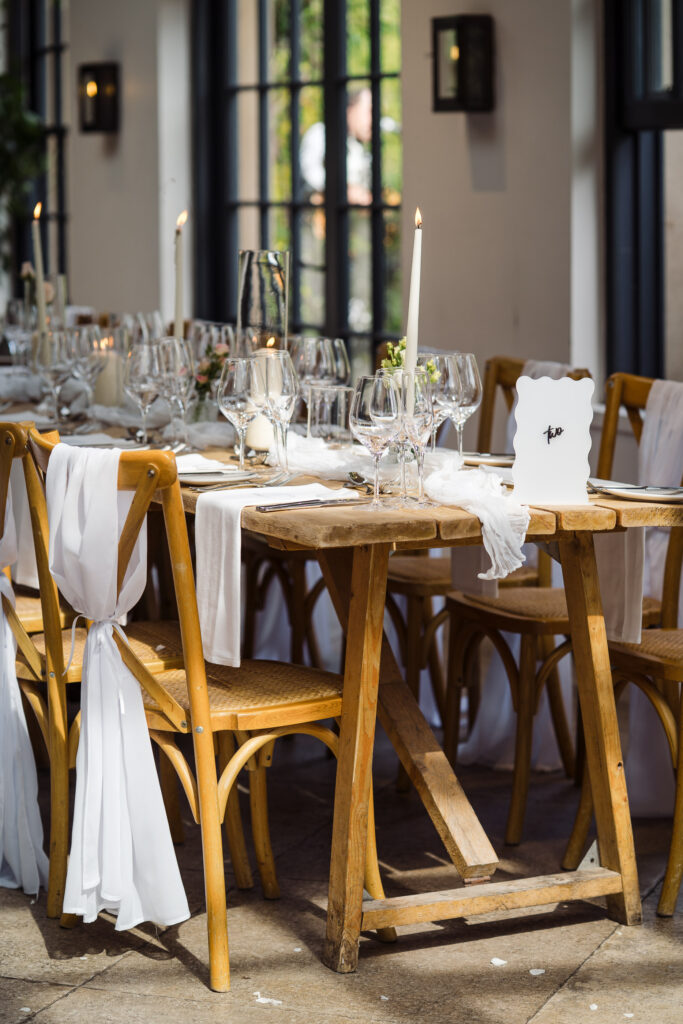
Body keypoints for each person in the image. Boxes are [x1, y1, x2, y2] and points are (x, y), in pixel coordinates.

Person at [299, 87, 373, 206]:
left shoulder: (360, 146)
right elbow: (309, 171)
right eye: (368, 111)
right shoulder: (321, 133)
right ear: (351, 109)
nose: (372, 119)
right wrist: (345, 189)